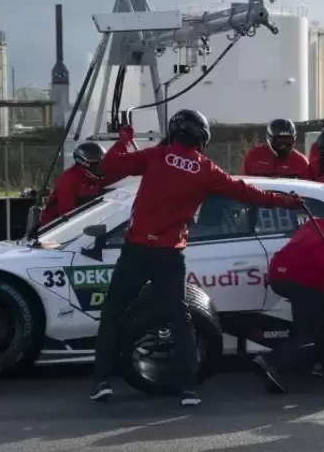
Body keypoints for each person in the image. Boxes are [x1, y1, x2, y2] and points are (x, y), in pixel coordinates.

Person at [90, 109, 304, 407]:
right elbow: (246, 192)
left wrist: (124, 141)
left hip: (136, 249)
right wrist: (286, 202)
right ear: (202, 138)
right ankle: (189, 389)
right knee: (180, 319)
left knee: (113, 313)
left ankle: (102, 382)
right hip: (170, 253)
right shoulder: (206, 169)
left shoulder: (156, 155)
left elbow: (107, 167)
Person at [253, 198, 324, 394]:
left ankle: (316, 364)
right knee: (313, 337)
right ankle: (271, 361)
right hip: (303, 282)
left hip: (277, 275)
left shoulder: (313, 224)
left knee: (311, 326)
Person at [242, 118, 310, 179]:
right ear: (269, 139)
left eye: (288, 142)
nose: (283, 146)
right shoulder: (254, 156)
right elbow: (244, 184)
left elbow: (308, 189)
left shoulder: (301, 162)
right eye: (279, 142)